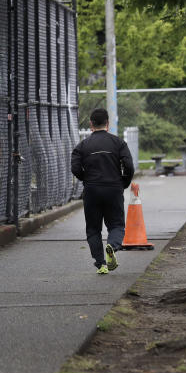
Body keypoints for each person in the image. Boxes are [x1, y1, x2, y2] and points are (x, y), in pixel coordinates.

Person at [71, 108, 134, 274]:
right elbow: (129, 166)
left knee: (93, 228)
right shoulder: (118, 143)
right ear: (108, 123)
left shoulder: (82, 146)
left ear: (91, 124)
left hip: (91, 189)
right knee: (117, 225)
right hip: (113, 188)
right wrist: (123, 183)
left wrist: (86, 179)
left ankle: (101, 264)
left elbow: (75, 167)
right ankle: (112, 246)